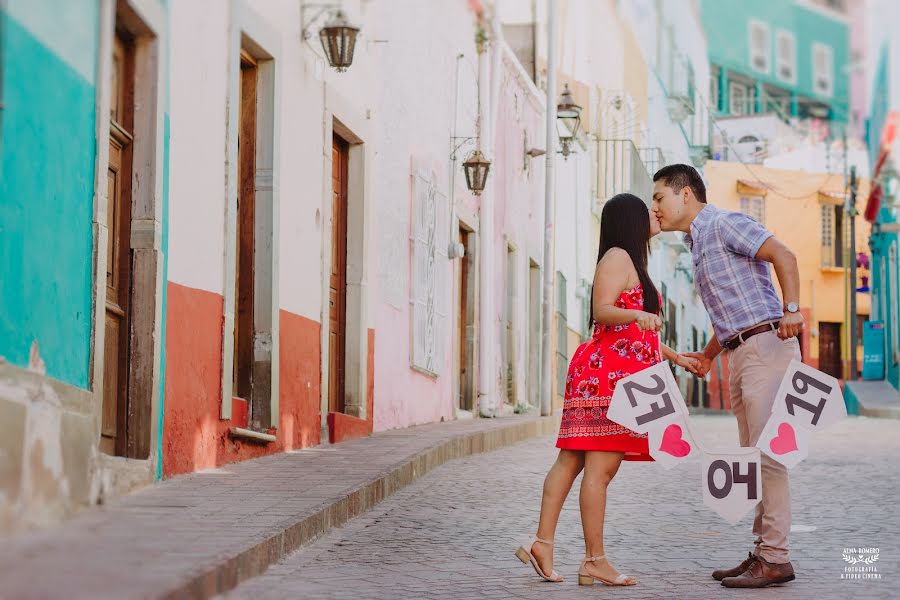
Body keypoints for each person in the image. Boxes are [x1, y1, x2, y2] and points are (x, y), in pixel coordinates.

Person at [515, 193, 699, 586]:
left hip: (604, 371)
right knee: (600, 469)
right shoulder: (619, 256)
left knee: (572, 462)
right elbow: (603, 311)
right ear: (630, 219)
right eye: (647, 209)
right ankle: (594, 560)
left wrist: (675, 356)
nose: (656, 212)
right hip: (608, 378)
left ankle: (542, 542)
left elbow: (630, 331)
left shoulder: (629, 260)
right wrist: (639, 313)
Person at [651, 164, 804, 589]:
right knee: (753, 457)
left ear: (685, 195)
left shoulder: (722, 223)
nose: (655, 208)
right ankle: (763, 552)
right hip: (741, 352)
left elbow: (784, 255)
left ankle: (775, 558)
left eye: (659, 197)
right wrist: (707, 356)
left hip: (766, 347)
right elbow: (730, 312)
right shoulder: (697, 244)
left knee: (769, 457)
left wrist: (792, 310)